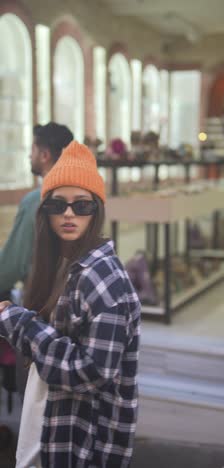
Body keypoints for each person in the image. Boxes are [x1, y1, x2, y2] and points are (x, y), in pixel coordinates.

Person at [0, 140, 141, 468]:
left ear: (97, 210)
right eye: (57, 205)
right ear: (44, 211)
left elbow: (91, 371)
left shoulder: (102, 278)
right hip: (53, 429)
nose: (68, 213)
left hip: (82, 445)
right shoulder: (67, 262)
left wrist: (18, 322)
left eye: (82, 205)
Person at [0, 121, 74, 302]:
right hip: (75, 299)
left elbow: (11, 268)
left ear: (44, 155)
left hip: (41, 305)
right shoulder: (84, 201)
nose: (28, 155)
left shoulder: (36, 201)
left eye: (32, 150)